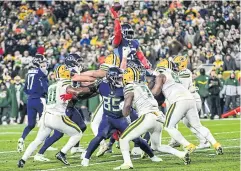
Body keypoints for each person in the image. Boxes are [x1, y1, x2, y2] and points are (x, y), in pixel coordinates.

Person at [76, 67, 160, 167]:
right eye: (119, 78)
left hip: (121, 119)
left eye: (121, 77)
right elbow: (90, 91)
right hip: (107, 118)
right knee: (99, 137)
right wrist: (77, 93)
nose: (121, 79)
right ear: (112, 78)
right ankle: (86, 158)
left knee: (136, 139)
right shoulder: (102, 85)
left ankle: (152, 156)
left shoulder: (125, 88)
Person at [114, 66, 190, 170]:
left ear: (127, 77)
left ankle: (127, 163)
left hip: (147, 116)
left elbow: (127, 107)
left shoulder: (129, 87)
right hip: (157, 116)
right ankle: (181, 154)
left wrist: (124, 112)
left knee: (123, 138)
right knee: (156, 146)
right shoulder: (143, 85)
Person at [17, 65, 92, 168]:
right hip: (57, 116)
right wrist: (91, 87)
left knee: (37, 140)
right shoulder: (65, 84)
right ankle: (62, 153)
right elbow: (77, 91)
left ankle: (22, 160)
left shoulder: (52, 85)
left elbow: (62, 96)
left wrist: (70, 96)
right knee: (77, 133)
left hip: (46, 116)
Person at [151, 63, 223, 156]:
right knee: (198, 126)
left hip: (179, 100)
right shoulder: (173, 74)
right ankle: (216, 144)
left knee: (168, 126)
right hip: (190, 99)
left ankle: (188, 145)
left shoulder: (160, 75)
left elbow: (156, 91)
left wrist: (147, 93)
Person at [34, 54, 87, 162]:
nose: (79, 63)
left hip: (71, 105)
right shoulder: (66, 71)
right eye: (77, 61)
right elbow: (74, 84)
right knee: (58, 134)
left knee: (82, 126)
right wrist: (78, 74)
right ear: (71, 62)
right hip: (64, 106)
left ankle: (75, 147)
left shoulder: (73, 71)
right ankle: (39, 153)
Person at [173, 56, 210, 149]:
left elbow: (183, 89)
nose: (175, 66)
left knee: (176, 120)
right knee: (188, 123)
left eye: (177, 64)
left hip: (191, 100)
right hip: (191, 99)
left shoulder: (184, 73)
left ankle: (176, 140)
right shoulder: (182, 72)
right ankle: (204, 140)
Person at [17, 54, 49, 153]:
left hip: (30, 100)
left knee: (31, 124)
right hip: (40, 100)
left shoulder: (28, 72)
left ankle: (22, 138)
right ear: (38, 63)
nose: (44, 64)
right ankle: (43, 143)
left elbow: (25, 89)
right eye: (42, 62)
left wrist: (32, 94)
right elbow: (46, 88)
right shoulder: (41, 73)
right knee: (46, 124)